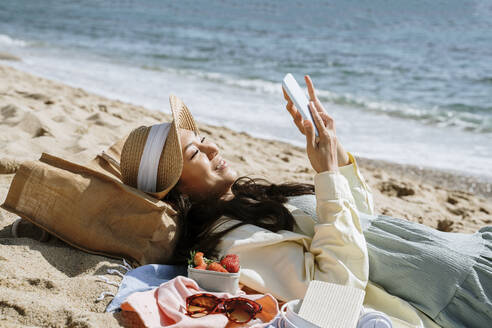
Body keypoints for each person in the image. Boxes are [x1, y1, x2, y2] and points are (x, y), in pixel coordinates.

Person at [119, 78, 491, 328]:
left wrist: (331, 147)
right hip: (461, 300)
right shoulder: (230, 245)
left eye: (205, 137)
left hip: (472, 251)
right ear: (178, 189)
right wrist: (325, 175)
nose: (215, 147)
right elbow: (332, 301)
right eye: (196, 151)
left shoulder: (248, 199)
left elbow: (360, 223)